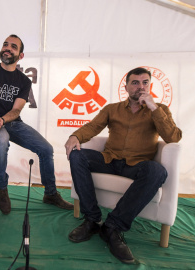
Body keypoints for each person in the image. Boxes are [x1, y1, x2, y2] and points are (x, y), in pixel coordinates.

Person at [64, 67, 182, 264]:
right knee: (77, 156)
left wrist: (154, 108)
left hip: (137, 165)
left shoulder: (159, 109)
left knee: (157, 171)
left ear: (150, 86)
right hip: (110, 160)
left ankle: (113, 226)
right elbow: (93, 127)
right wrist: (75, 136)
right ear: (127, 86)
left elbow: (173, 137)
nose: (140, 87)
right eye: (135, 83)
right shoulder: (112, 109)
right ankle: (92, 219)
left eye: (145, 82)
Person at [0, 34, 73, 214]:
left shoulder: (24, 81)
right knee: (1, 139)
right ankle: (2, 188)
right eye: (5, 44)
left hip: (12, 123)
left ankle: (50, 193)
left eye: (13, 47)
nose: (7, 48)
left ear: (20, 56)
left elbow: (16, 110)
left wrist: (2, 120)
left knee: (46, 149)